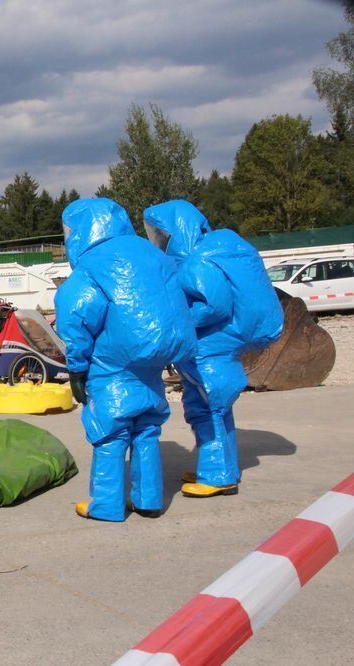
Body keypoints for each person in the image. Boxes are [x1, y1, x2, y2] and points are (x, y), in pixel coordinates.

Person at [54, 198, 197, 522]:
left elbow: (77, 315)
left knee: (110, 429)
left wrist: (77, 367)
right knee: (146, 427)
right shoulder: (151, 254)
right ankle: (147, 499)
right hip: (153, 357)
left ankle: (106, 505)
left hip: (112, 360)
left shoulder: (93, 263)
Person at [143, 200, 283, 498]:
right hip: (217, 344)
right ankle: (217, 466)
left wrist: (178, 323)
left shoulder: (197, 261)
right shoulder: (210, 252)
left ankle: (218, 474)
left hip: (211, 347)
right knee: (209, 405)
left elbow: (214, 305)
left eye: (158, 233)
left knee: (210, 408)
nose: (156, 239)